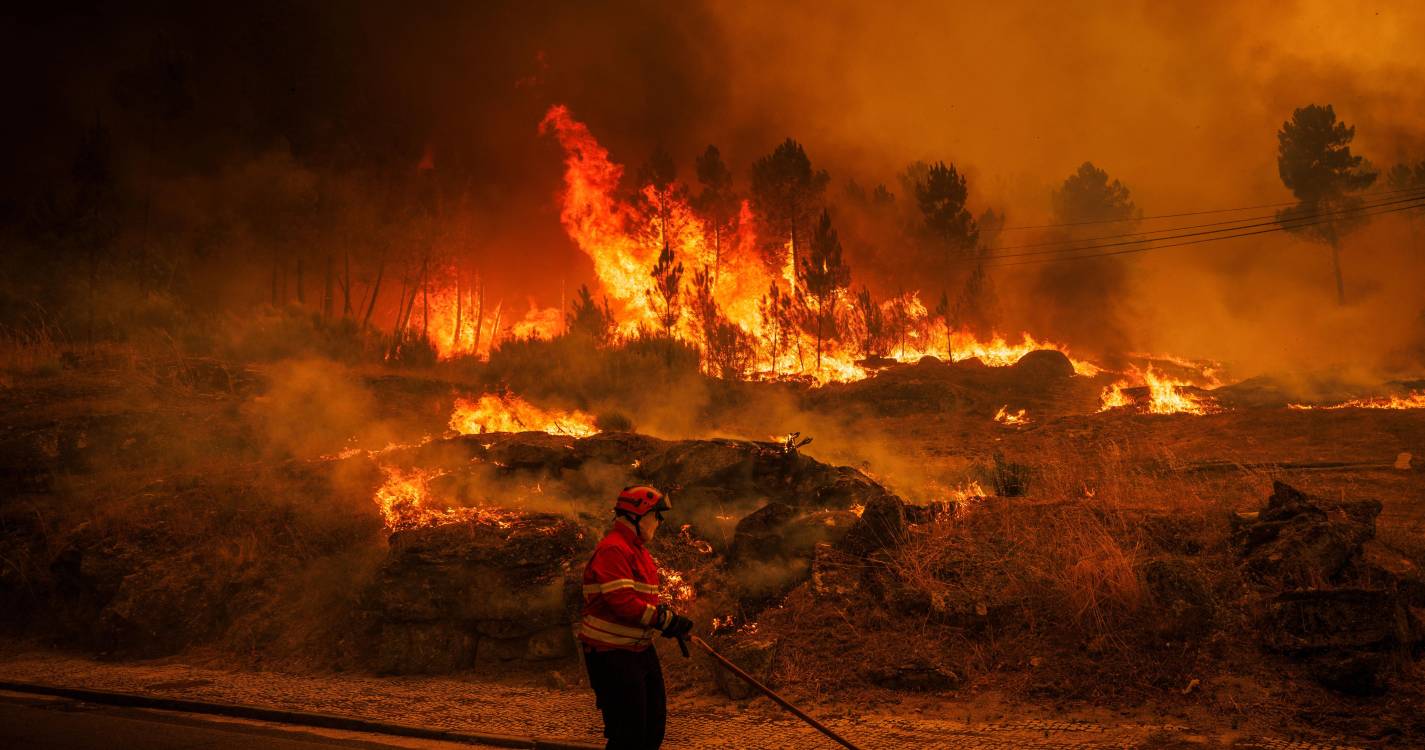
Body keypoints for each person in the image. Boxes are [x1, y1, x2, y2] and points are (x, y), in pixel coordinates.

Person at [578, 485, 694, 749]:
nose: (660, 521)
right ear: (636, 515)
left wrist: (667, 619)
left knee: (652, 729)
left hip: (638, 650)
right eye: (656, 514)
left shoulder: (638, 551)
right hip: (611, 654)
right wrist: (664, 621)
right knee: (628, 737)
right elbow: (622, 602)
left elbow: (641, 602)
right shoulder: (613, 550)